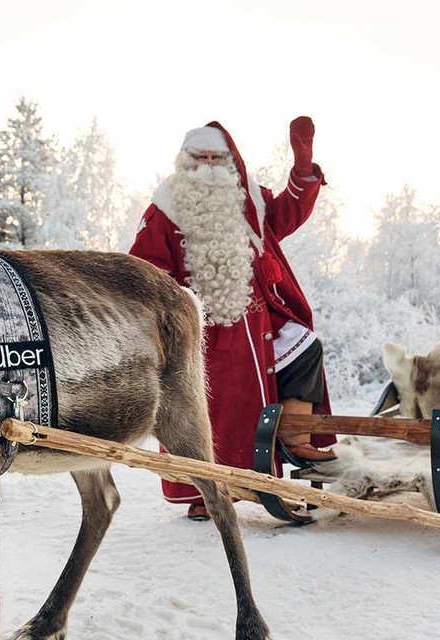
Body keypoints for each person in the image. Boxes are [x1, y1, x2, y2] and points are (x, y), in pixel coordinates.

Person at [129, 118, 336, 521]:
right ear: (185, 164)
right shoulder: (165, 210)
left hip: (257, 326)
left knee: (304, 347)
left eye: (215, 158)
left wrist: (304, 166)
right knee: (207, 414)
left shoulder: (250, 203)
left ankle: (296, 439)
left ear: (229, 163)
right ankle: (202, 492)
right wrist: (175, 312)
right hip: (201, 334)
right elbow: (144, 270)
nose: (208, 166)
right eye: (200, 158)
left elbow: (288, 212)